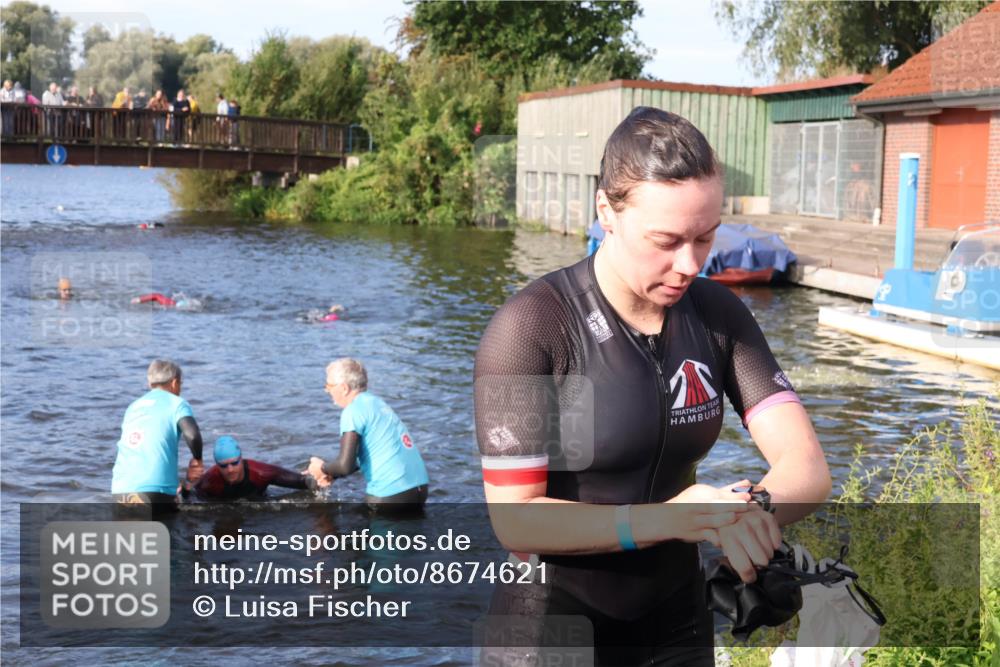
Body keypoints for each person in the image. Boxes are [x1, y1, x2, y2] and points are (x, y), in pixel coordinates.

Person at [473, 106, 831, 665]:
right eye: (665, 240)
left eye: (705, 238)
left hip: (677, 621)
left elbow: (807, 466)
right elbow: (515, 519)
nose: (689, 265)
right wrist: (674, 518)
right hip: (554, 625)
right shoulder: (531, 327)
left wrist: (751, 511)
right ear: (606, 212)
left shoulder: (717, 314)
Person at [307, 358, 429, 511]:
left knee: (330, 520)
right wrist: (330, 474)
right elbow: (364, 457)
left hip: (389, 495)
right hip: (419, 490)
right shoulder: (377, 403)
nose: (327, 391)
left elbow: (345, 466)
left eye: (329, 386)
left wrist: (322, 468)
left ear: (344, 388)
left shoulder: (352, 411)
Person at [111, 360, 205, 509]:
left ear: (150, 384)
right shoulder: (177, 403)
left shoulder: (133, 407)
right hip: (155, 491)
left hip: (121, 490)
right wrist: (198, 460)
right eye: (180, 384)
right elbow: (192, 435)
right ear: (174, 383)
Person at [191, 436, 314, 500]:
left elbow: (302, 481)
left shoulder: (261, 473)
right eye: (223, 465)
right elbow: (191, 498)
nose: (230, 470)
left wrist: (314, 479)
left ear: (241, 459)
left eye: (234, 463)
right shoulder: (208, 481)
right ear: (217, 465)